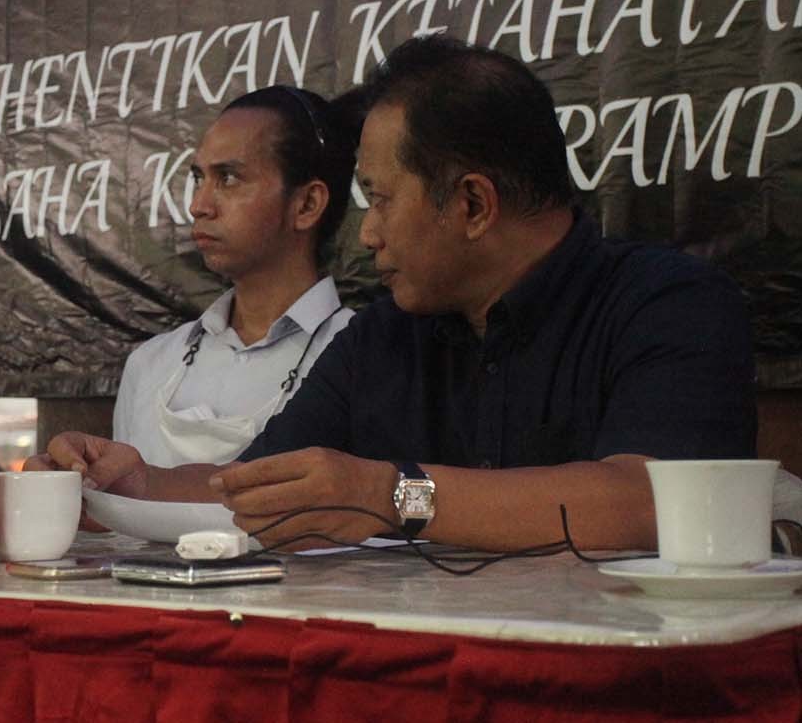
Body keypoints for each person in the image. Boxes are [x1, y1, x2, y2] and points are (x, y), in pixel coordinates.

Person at [38, 36, 756, 553]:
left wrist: (393, 496)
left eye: (380, 200)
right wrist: (140, 483)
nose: (368, 234)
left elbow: (651, 502)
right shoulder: (385, 336)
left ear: (472, 204)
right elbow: (256, 482)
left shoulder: (670, 305)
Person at [109, 86, 357, 467]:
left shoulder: (362, 358)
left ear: (307, 204)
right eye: (198, 179)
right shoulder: (150, 364)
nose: (198, 205)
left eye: (228, 178)